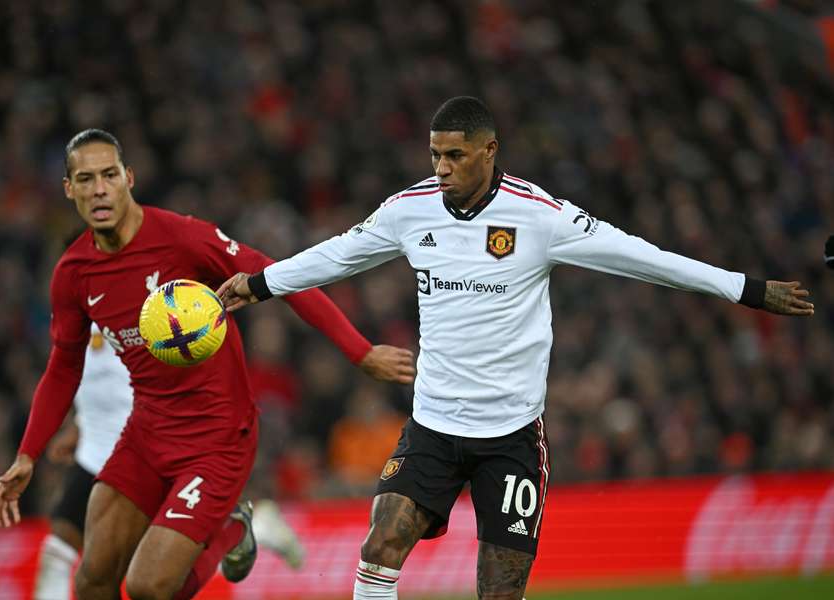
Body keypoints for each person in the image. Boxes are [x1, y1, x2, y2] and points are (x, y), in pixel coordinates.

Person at [216, 96, 815, 600]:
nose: (442, 168)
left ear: (489, 151)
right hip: (433, 425)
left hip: (510, 436)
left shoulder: (540, 217)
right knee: (380, 545)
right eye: (435, 155)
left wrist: (747, 289)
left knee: (499, 590)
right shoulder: (408, 211)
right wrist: (259, 284)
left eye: (454, 155)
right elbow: (337, 254)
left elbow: (642, 258)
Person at [0, 128, 416, 600]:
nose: (99, 188)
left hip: (217, 440)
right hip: (146, 434)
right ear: (69, 189)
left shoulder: (181, 239)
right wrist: (28, 453)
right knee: (92, 581)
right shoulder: (72, 273)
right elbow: (64, 365)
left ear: (128, 178)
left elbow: (281, 277)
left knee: (147, 586)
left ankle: (233, 532)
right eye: (85, 179)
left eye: (109, 175)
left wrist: (361, 351)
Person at [33, 324, 306, 600]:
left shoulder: (141, 299)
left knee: (142, 576)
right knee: (81, 555)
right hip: (100, 447)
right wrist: (81, 424)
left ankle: (241, 528)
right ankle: (251, 524)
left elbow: (148, 373)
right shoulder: (79, 294)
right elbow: (83, 367)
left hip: (138, 445)